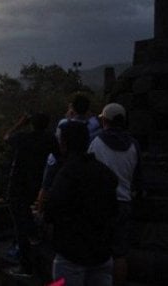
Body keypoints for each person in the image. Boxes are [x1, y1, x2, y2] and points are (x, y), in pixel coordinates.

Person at [44, 121, 119, 286]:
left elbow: (50, 210)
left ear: (64, 143)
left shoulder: (67, 173)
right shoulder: (104, 172)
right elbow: (114, 210)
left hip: (72, 253)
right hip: (102, 251)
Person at [87, 103, 142, 286]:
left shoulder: (96, 142)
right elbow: (137, 177)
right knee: (120, 253)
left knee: (98, 249)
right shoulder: (134, 145)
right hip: (124, 202)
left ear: (104, 120)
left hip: (101, 203)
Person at [3, 113, 58, 277]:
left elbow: (6, 137)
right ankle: (35, 237)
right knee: (31, 218)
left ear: (31, 124)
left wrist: (19, 124)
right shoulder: (50, 139)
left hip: (19, 185)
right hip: (39, 185)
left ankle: (25, 265)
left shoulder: (22, 137)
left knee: (20, 224)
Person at [38, 94, 101, 208]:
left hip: (59, 160)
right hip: (82, 159)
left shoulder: (64, 124)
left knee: (46, 186)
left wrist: (68, 117)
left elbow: (59, 140)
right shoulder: (93, 125)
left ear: (72, 108)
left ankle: (40, 209)